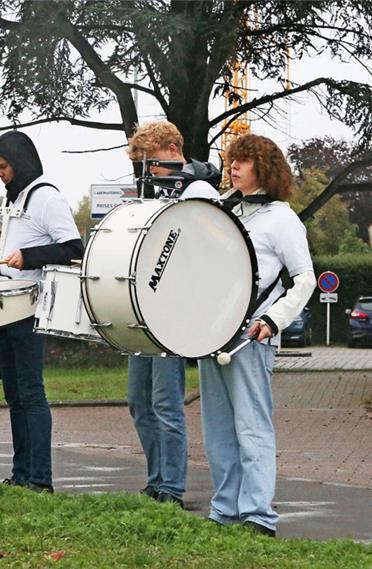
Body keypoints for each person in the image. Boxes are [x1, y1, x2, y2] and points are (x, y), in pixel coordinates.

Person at [199, 134, 315, 537]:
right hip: (212, 331)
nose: (233, 167)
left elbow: (304, 280)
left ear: (262, 168)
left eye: (243, 161)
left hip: (252, 334)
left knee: (251, 426)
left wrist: (273, 320)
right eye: (232, 160)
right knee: (217, 427)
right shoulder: (223, 210)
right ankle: (225, 509)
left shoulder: (282, 219)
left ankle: (258, 515)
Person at [0, 131, 84, 492]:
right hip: (7, 308)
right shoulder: (17, 200)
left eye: (2, 167)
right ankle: (21, 474)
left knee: (31, 394)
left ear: (21, 163)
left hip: (30, 309)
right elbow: (14, 251)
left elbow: (73, 248)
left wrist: (29, 258)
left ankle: (40, 477)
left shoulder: (46, 197)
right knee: (14, 394)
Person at [124, 121, 221, 508]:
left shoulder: (199, 191)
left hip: (175, 311)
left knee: (166, 401)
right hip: (147, 308)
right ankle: (156, 478)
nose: (149, 171)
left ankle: (173, 487)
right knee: (139, 399)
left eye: (152, 162)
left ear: (170, 148)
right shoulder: (161, 191)